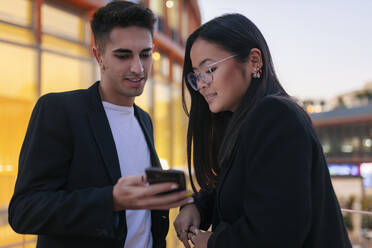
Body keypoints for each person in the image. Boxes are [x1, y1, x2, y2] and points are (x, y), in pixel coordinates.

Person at [8, 1, 193, 248]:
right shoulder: (60, 111)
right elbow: (25, 211)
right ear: (99, 56)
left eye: (145, 54)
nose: (138, 68)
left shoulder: (144, 120)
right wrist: (111, 200)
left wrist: (187, 202)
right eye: (123, 55)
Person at [174, 13, 351, 248]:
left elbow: (278, 232)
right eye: (196, 75)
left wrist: (213, 243)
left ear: (254, 61)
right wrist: (197, 205)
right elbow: (244, 188)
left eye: (210, 69)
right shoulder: (244, 121)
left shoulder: (277, 115)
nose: (202, 83)